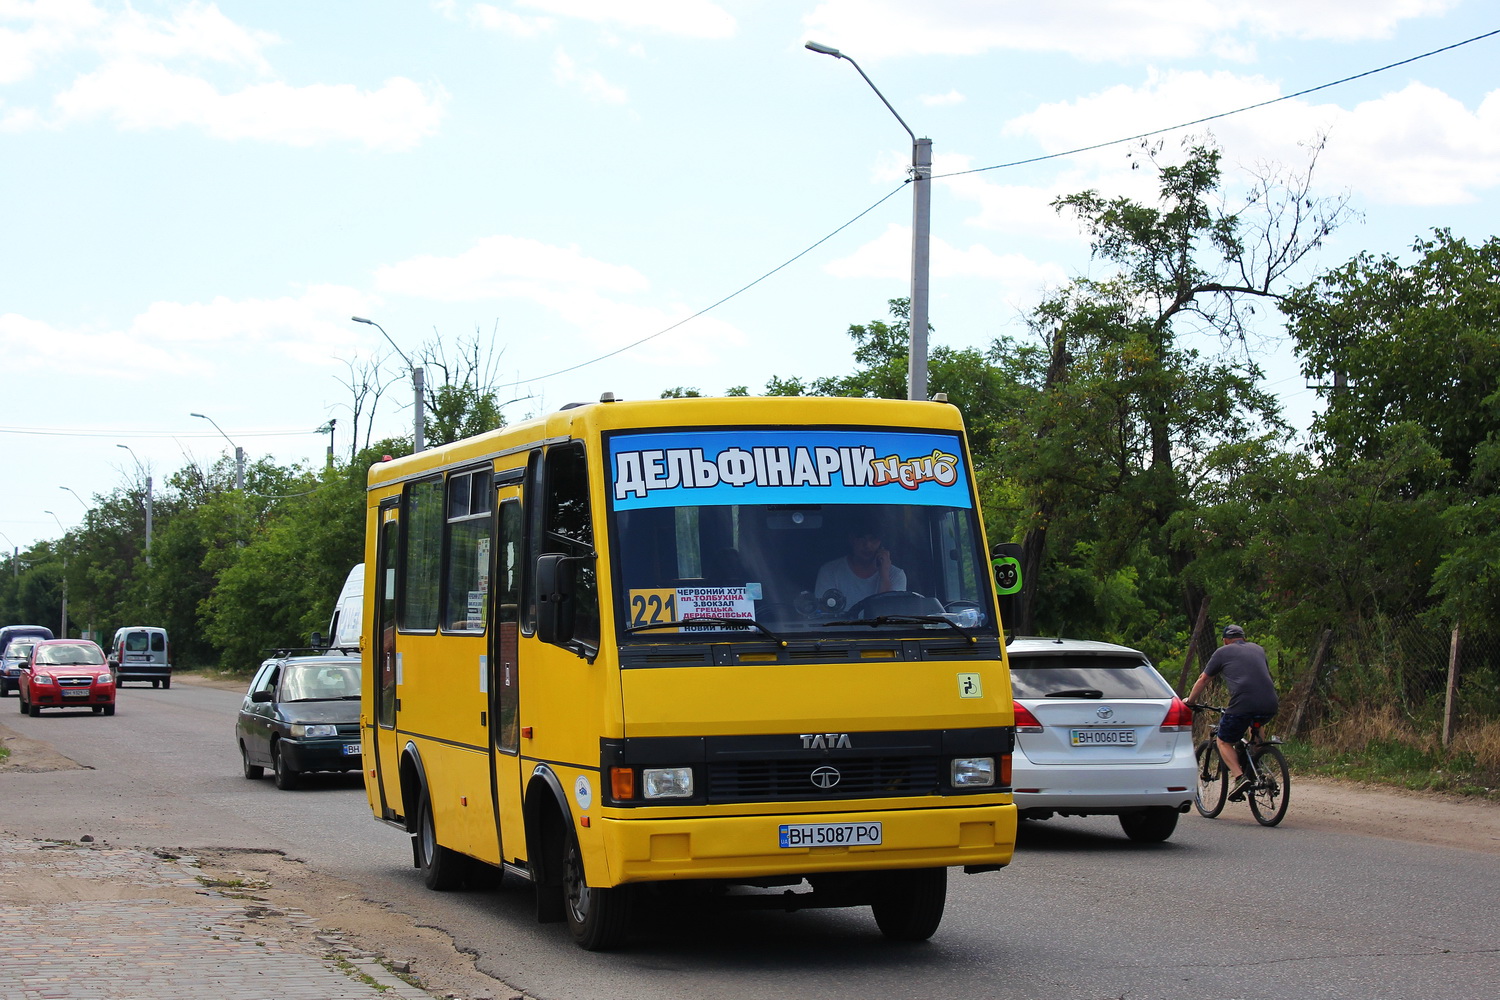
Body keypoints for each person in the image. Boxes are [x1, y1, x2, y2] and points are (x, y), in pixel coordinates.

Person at [1184, 624, 1280, 800]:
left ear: (1225, 640)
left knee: (1223, 740)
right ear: (1243, 638)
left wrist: (1190, 701)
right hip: (1270, 702)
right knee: (1255, 725)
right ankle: (1258, 766)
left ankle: (1239, 777)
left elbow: (1203, 679)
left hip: (1243, 704)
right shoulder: (1258, 649)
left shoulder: (1222, 652)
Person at [813, 516, 906, 610]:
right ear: (851, 539)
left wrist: (884, 575)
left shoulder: (896, 575)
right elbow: (822, 615)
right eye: (861, 538)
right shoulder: (830, 572)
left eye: (873, 539)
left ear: (880, 542)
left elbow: (889, 614)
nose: (867, 545)